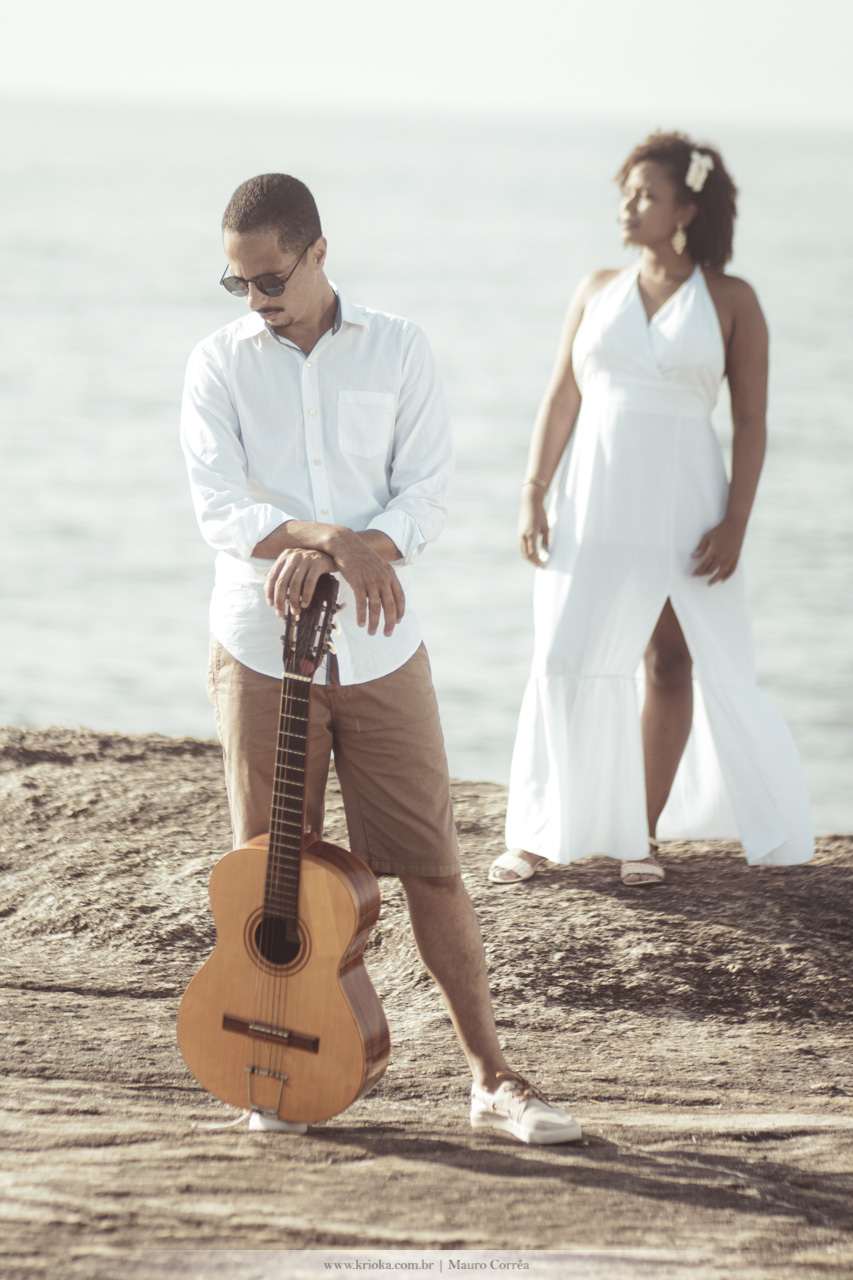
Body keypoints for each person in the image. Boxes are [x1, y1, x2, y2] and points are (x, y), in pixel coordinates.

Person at [180, 173, 581, 1143]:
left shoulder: (399, 347)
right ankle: (272, 1070)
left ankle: (491, 1078)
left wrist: (347, 553)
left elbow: (425, 495)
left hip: (380, 646)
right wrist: (328, 539)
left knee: (432, 866)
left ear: (318, 253)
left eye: (270, 279)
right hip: (259, 647)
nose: (255, 299)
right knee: (271, 875)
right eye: (236, 283)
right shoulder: (217, 363)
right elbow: (220, 510)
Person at [490, 132, 814, 889]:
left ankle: (638, 834)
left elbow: (752, 421)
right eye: (626, 193)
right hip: (593, 496)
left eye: (645, 195)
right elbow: (562, 395)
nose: (627, 206)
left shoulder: (732, 299)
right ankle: (536, 833)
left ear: (685, 210)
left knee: (670, 662)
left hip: (687, 503)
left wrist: (736, 521)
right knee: (564, 653)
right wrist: (533, 490)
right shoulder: (595, 287)